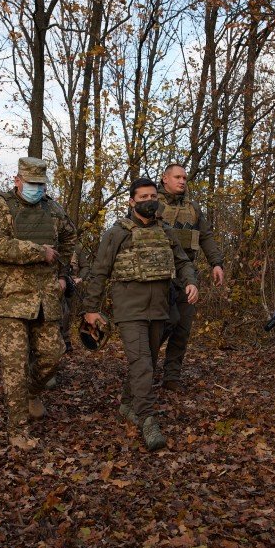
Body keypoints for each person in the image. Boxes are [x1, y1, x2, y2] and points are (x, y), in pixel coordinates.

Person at [83, 178, 198, 451]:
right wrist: (90, 309)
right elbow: (100, 272)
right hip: (129, 310)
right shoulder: (117, 233)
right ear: (132, 202)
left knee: (147, 362)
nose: (149, 201)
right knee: (143, 363)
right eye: (143, 197)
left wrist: (191, 281)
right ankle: (147, 420)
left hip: (160, 309)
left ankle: (126, 403)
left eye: (152, 196)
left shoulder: (166, 231)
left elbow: (183, 262)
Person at [0, 157, 77, 447]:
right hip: (9, 298)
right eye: (31, 183)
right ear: (17, 180)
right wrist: (38, 251)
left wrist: (64, 276)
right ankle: (18, 430)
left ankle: (31, 393)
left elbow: (69, 240)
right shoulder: (0, 205)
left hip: (44, 297)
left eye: (40, 184)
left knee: (52, 356)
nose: (36, 189)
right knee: (15, 365)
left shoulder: (53, 208)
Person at [155, 163, 225, 391]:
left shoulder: (193, 208)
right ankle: (143, 370)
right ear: (165, 179)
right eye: (177, 177)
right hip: (159, 275)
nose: (182, 181)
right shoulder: (152, 203)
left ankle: (171, 377)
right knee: (162, 325)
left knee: (182, 327)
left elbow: (206, 236)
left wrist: (216, 263)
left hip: (186, 276)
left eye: (185, 177)